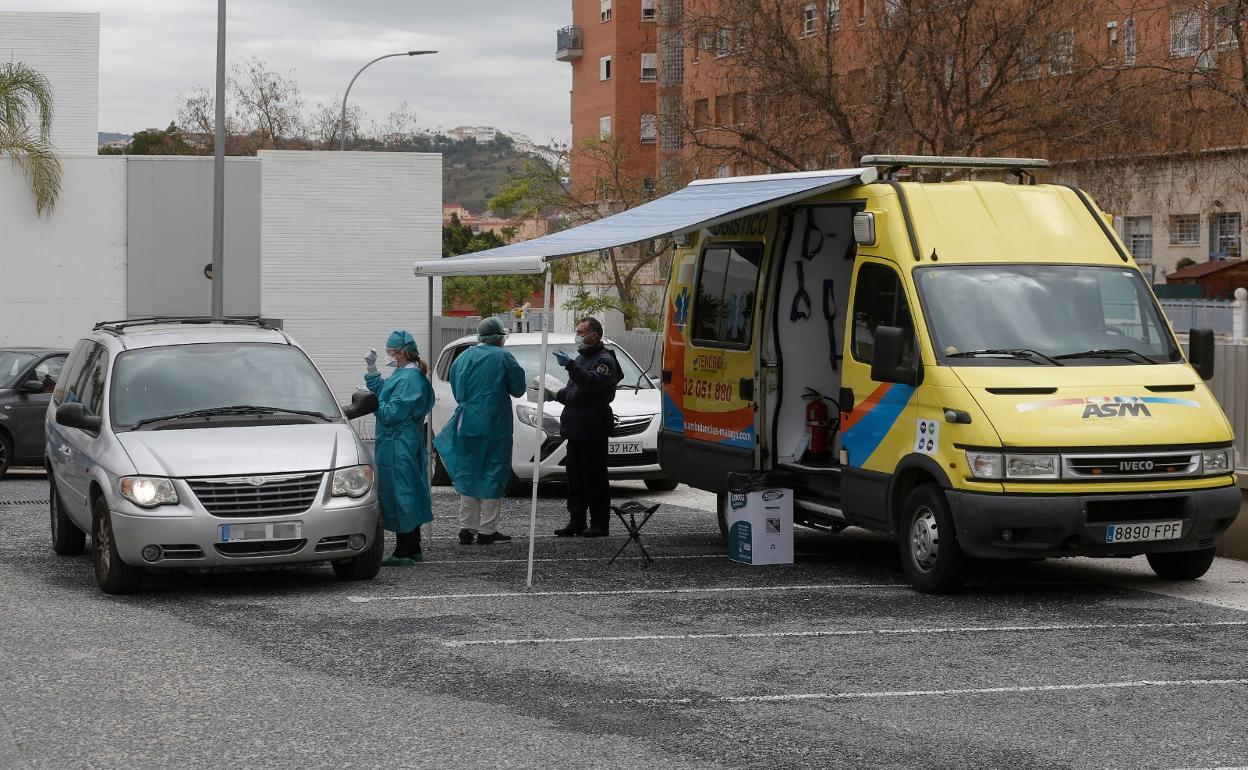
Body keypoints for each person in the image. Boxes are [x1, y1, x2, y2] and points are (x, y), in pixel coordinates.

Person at [434, 317, 527, 545]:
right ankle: (487, 530)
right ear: (499, 337)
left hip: (467, 422)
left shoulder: (463, 357)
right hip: (494, 424)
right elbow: (518, 389)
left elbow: (457, 392)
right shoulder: (504, 357)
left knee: (469, 472)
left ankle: (466, 527)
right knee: (494, 472)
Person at [364, 330, 435, 566]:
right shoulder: (404, 373)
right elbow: (386, 390)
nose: (388, 355)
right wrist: (372, 371)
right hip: (398, 442)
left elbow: (392, 413)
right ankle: (412, 547)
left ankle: (404, 550)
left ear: (402, 352)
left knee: (401, 494)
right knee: (406, 492)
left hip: (399, 443)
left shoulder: (411, 379)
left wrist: (373, 403)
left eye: (390, 351)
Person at [549, 317, 623, 537]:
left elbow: (591, 384)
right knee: (575, 476)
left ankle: (600, 523)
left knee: (594, 477)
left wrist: (571, 366)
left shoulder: (604, 360)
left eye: (581, 332)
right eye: (577, 331)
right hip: (575, 426)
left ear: (594, 335)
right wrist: (554, 393)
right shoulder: (582, 358)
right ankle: (577, 520)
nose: (578, 336)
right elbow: (574, 392)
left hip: (593, 426)